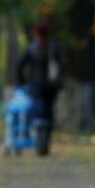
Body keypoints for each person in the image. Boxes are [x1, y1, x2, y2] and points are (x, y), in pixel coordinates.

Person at [16, 23, 62, 155]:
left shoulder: (32, 48)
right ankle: (45, 142)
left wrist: (22, 81)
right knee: (48, 113)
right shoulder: (54, 47)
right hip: (51, 87)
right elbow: (62, 66)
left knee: (37, 112)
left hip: (36, 86)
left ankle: (38, 141)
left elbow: (20, 65)